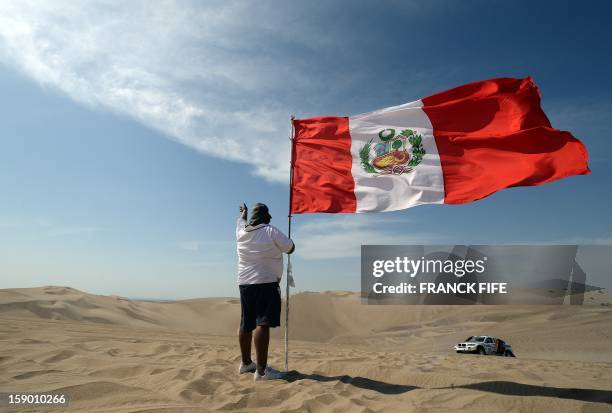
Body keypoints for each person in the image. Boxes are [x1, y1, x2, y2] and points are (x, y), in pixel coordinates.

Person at [235, 202, 295, 381]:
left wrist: (243, 214)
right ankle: (261, 372)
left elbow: (240, 221)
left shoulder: (241, 232)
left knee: (246, 323)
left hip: (244, 283)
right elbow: (290, 248)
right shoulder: (270, 231)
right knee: (263, 323)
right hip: (266, 282)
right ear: (266, 217)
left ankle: (246, 363)